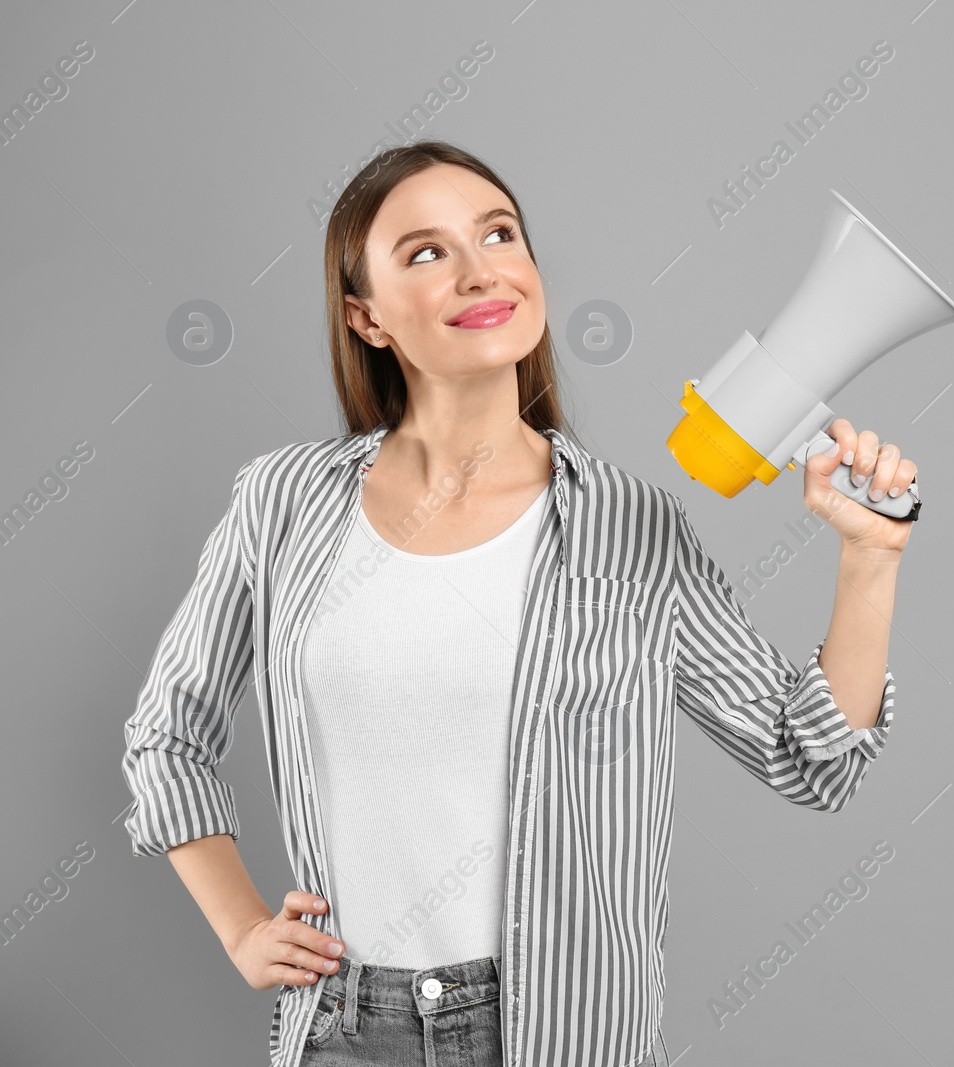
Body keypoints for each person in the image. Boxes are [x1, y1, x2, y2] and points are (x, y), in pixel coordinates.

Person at [120, 140, 910, 1067]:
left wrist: (869, 556)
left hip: (567, 1029)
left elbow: (812, 757)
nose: (479, 268)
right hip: (346, 1030)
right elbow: (168, 733)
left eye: (499, 233)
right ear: (365, 317)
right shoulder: (281, 500)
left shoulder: (630, 525)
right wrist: (243, 928)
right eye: (425, 252)